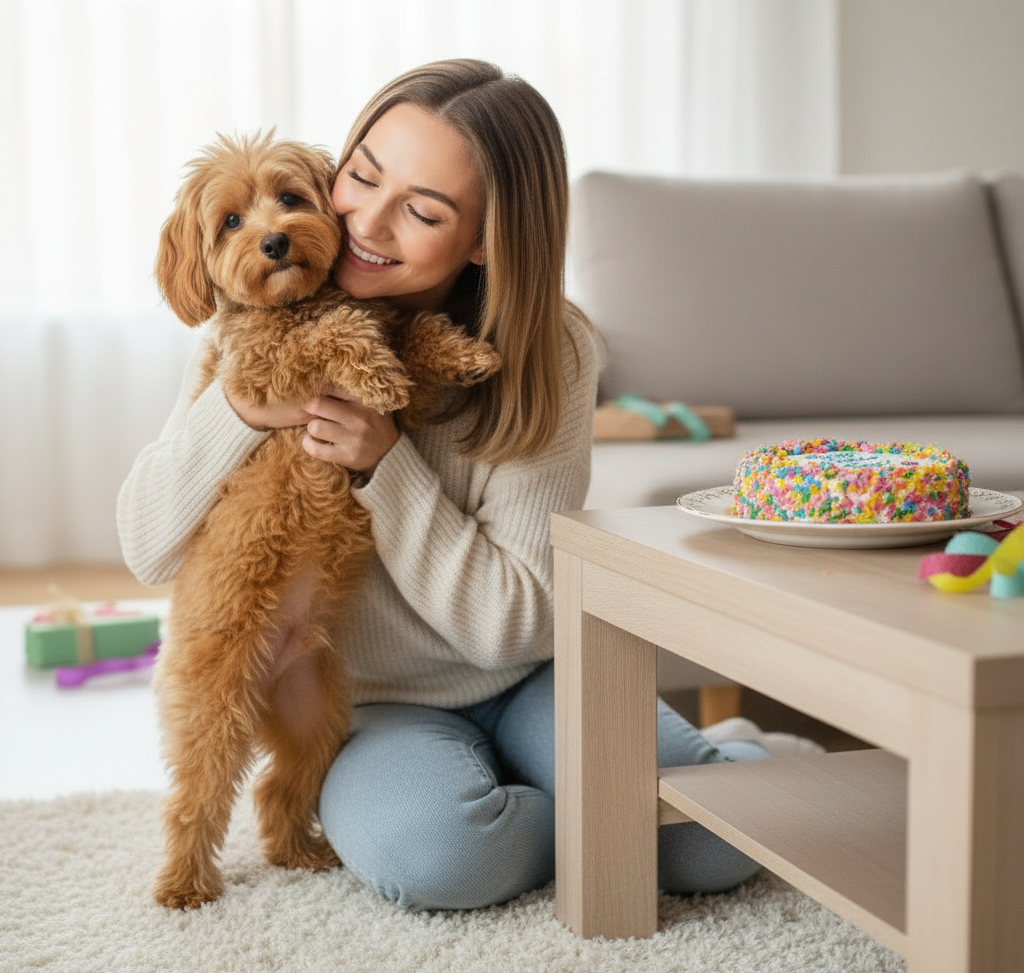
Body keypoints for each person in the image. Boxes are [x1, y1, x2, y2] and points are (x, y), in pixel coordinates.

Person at [119, 58, 813, 913]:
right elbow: (145, 546)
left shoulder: (549, 350)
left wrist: (384, 463)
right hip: (377, 704)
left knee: (710, 847)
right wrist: (241, 411)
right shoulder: (263, 317)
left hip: (528, 674)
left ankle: (730, 758)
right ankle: (603, 801)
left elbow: (514, 624)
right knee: (445, 862)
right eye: (361, 177)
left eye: (421, 210)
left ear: (486, 238)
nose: (369, 223)